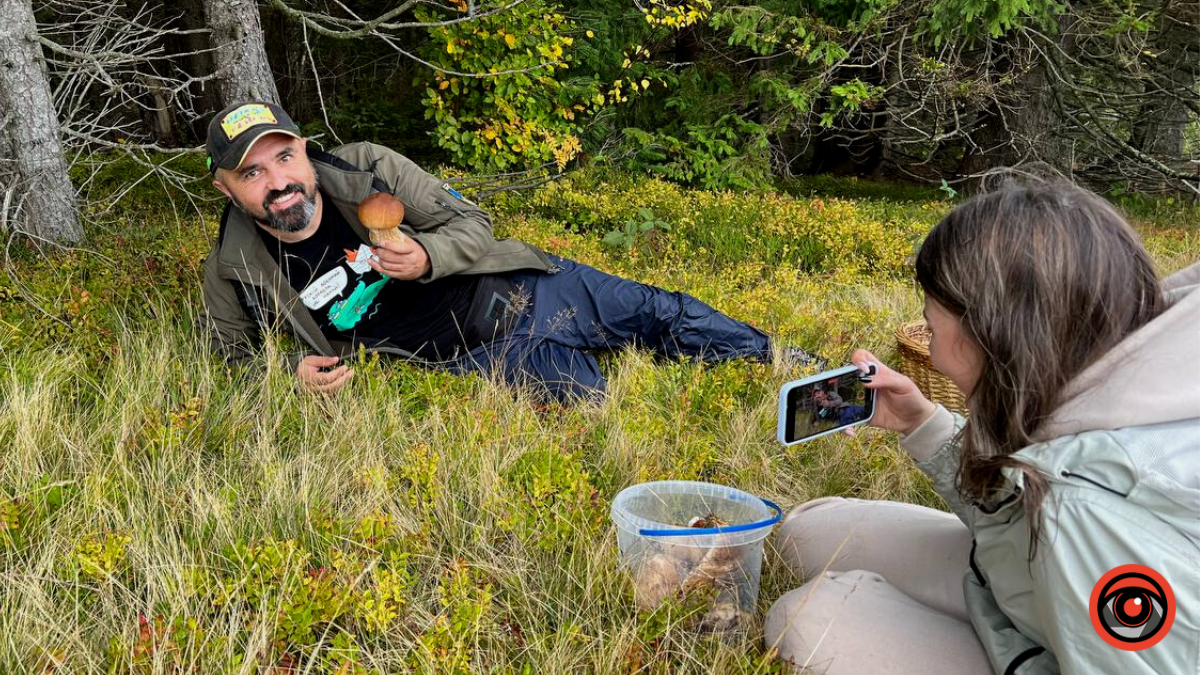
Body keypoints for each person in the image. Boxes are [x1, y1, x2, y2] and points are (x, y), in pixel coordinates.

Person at [764, 182, 1198, 674]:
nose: (932, 352)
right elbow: (1025, 508)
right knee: (803, 532)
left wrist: (998, 640)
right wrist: (922, 423)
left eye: (933, 327)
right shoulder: (1116, 371)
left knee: (808, 619)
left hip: (1044, 635)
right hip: (1020, 580)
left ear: (994, 335)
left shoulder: (1083, 508)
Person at [200, 101, 819, 402]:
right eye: (252, 172)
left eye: (285, 157)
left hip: (524, 287)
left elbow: (474, 223)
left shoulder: (369, 169)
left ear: (305, 151)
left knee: (660, 313)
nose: (279, 181)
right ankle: (589, 360)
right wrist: (290, 373)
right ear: (224, 187)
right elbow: (230, 358)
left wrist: (427, 257)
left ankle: (793, 365)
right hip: (471, 355)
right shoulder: (233, 268)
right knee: (593, 399)